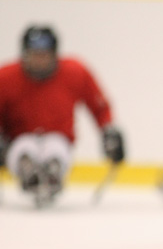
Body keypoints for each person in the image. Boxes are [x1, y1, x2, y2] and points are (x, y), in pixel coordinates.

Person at [0, 25, 125, 206]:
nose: (39, 60)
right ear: (24, 54)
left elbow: (99, 106)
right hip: (18, 139)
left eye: (44, 54)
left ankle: (53, 172)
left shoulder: (75, 72)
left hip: (59, 139)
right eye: (34, 54)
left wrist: (108, 130)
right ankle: (28, 171)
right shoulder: (5, 77)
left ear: (54, 54)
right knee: (23, 149)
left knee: (55, 149)